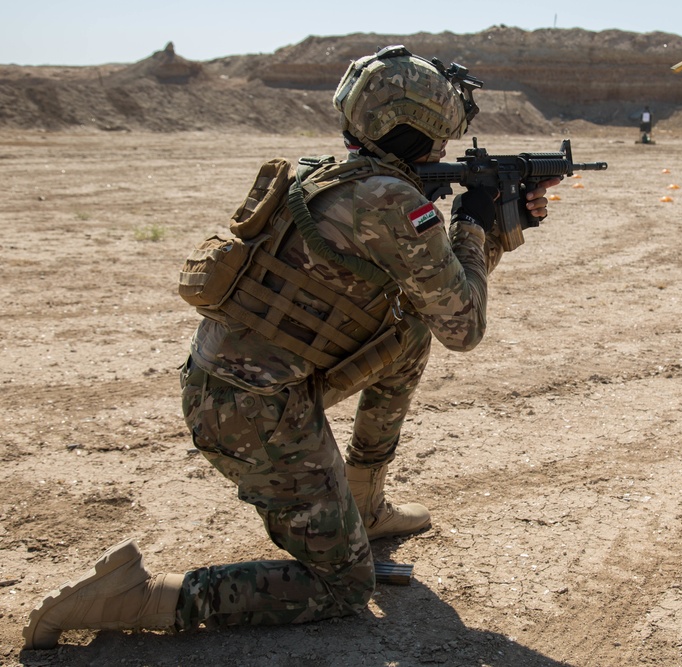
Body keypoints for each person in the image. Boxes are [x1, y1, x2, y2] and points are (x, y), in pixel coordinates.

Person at [23, 44, 559, 650]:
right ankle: (135, 596)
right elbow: (465, 327)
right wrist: (476, 225)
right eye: (441, 135)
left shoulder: (329, 176)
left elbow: (438, 306)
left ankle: (364, 503)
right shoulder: (391, 201)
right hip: (255, 414)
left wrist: (486, 231)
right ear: (417, 129)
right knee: (342, 587)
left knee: (408, 331)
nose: (445, 149)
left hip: (244, 387)